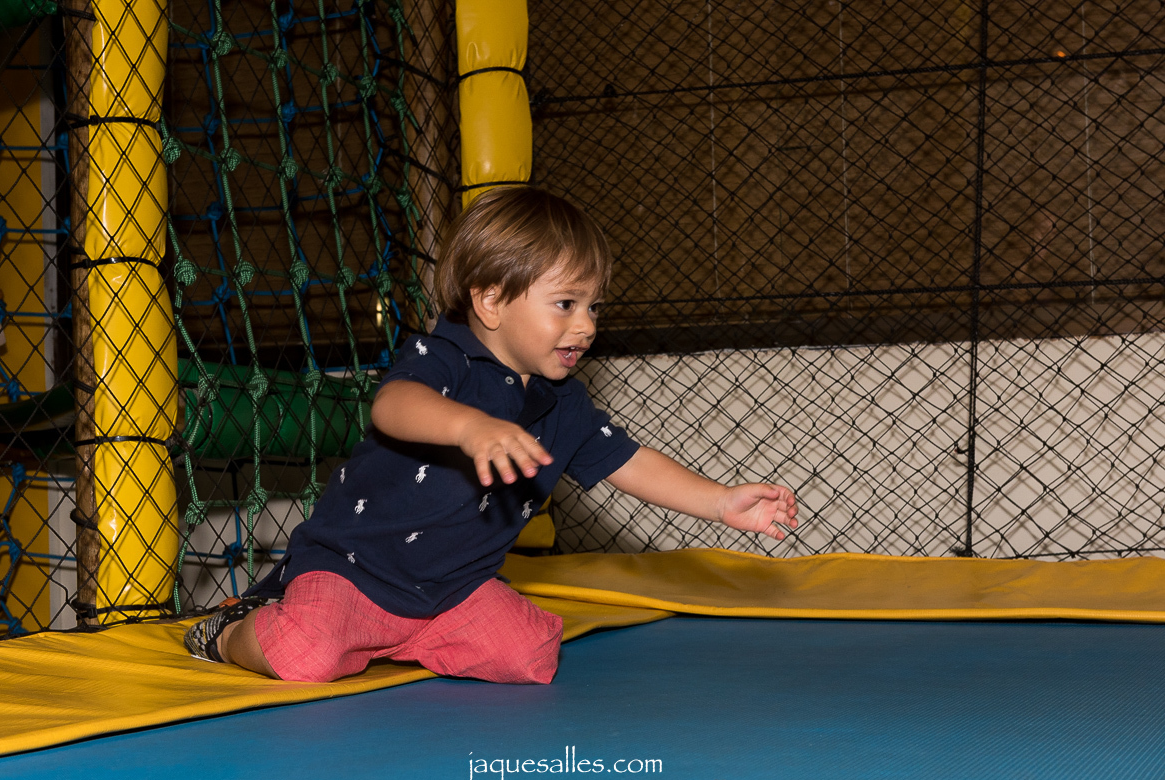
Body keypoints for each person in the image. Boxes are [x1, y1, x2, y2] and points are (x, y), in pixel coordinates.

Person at [184, 187, 798, 684]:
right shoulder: (445, 356)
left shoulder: (564, 403)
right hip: (351, 569)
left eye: (594, 307)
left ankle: (400, 639)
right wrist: (468, 426)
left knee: (530, 655)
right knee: (306, 656)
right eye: (565, 304)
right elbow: (392, 405)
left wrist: (718, 500)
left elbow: (629, 462)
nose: (585, 326)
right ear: (491, 301)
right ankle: (232, 628)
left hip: (450, 589)